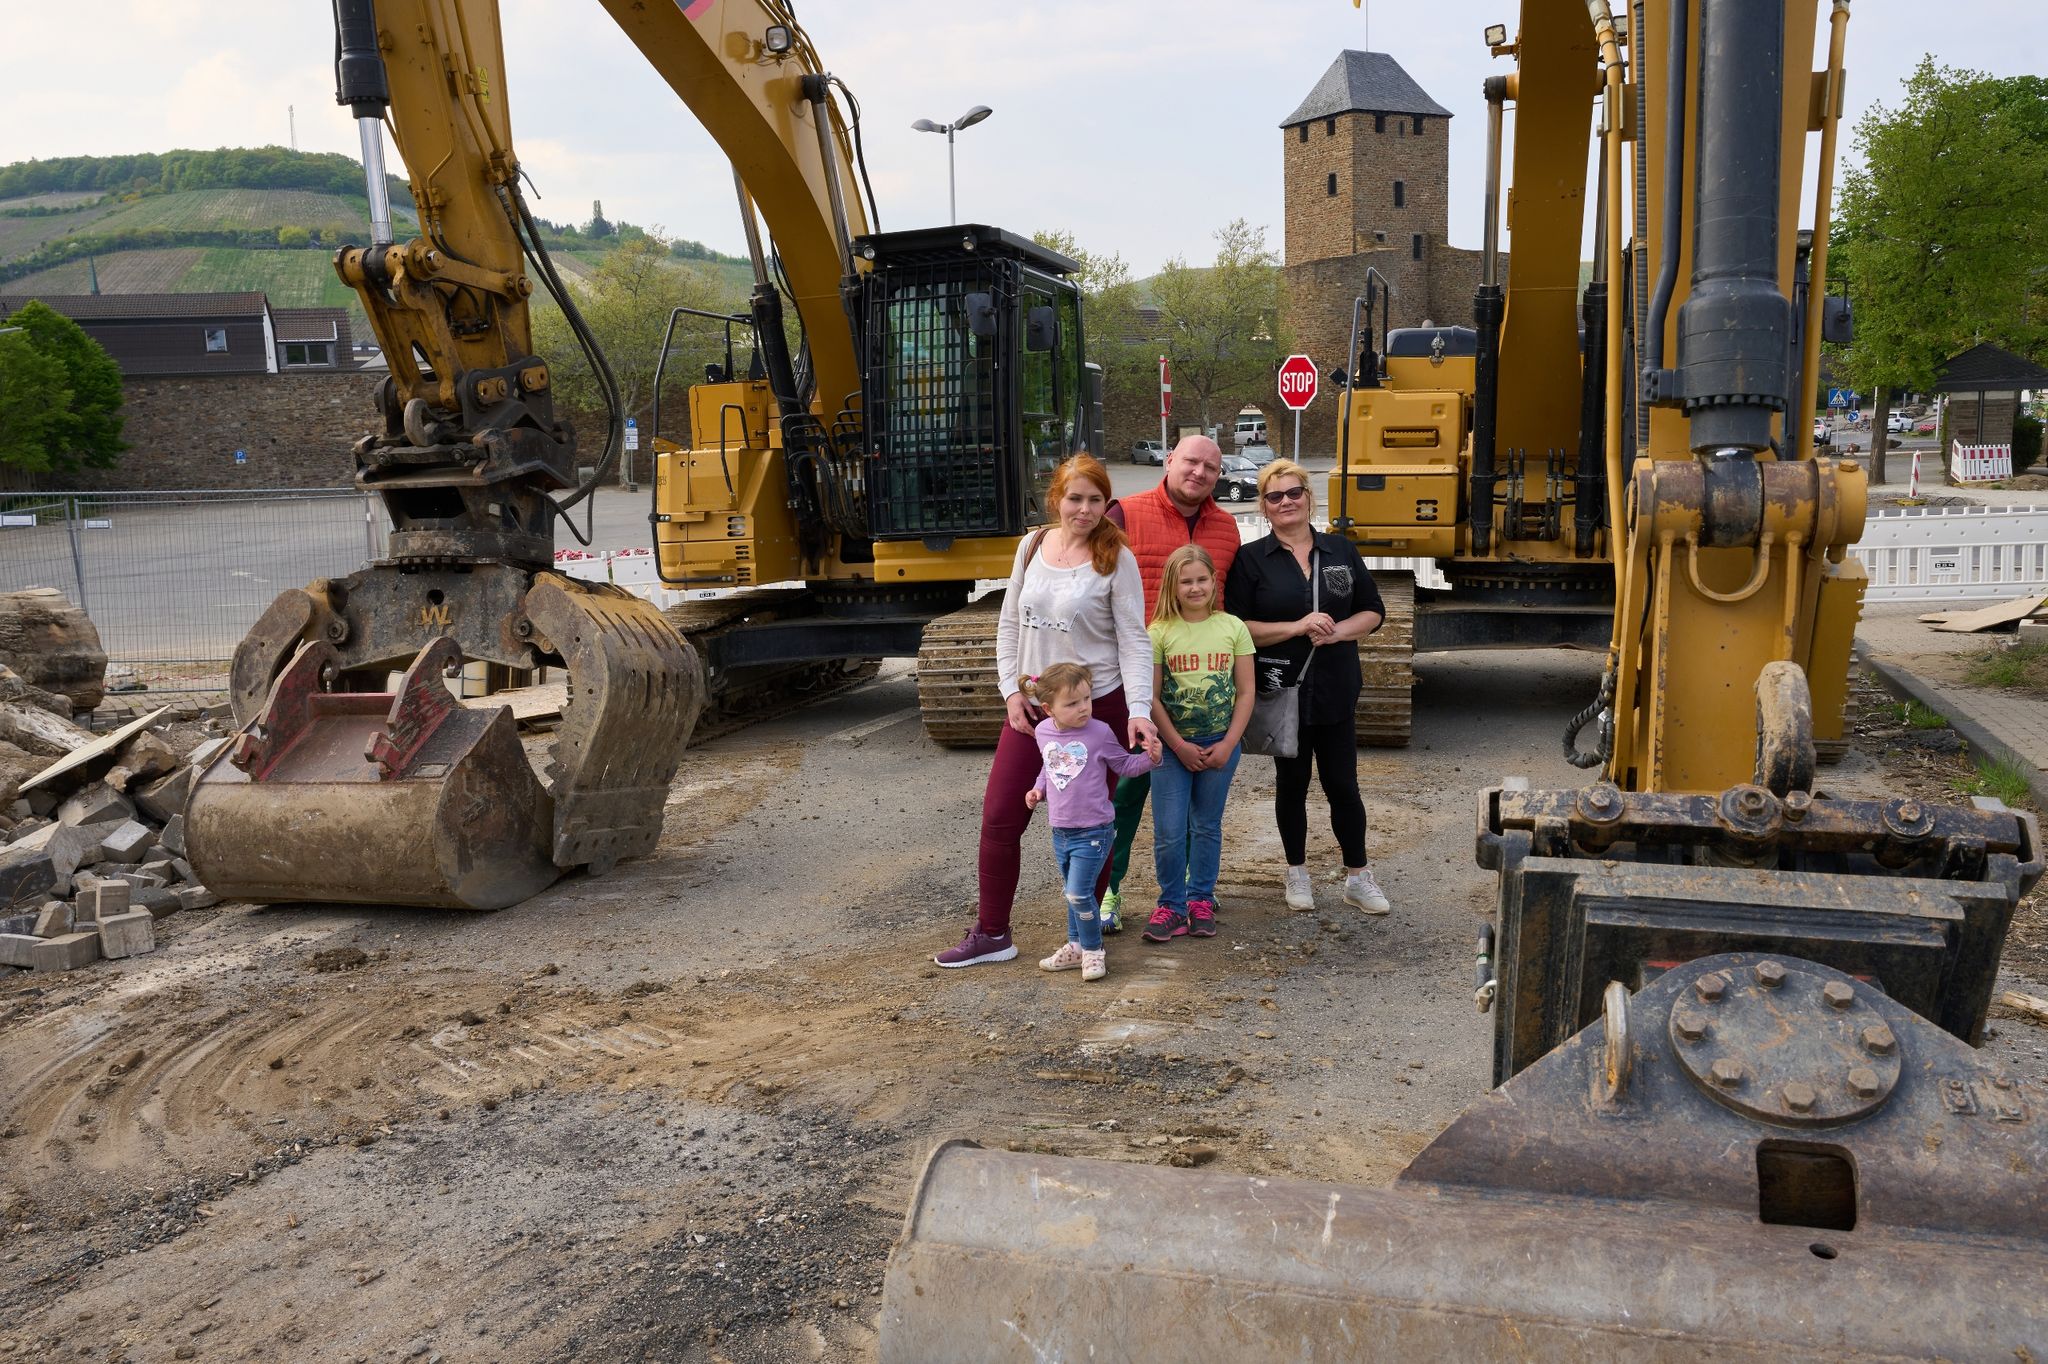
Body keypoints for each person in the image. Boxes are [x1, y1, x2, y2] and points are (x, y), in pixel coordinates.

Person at [935, 453, 1159, 968]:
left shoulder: (1114, 557)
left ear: (1107, 504)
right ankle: (992, 933)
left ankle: (1083, 940)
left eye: (1095, 500)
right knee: (999, 818)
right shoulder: (1032, 545)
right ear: (1056, 498)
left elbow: (1134, 639)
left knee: (1089, 828)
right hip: (1034, 709)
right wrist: (1010, 692)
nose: (1084, 510)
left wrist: (1138, 710)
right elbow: (1010, 622)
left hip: (1092, 710)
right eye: (1074, 498)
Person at [1224, 459, 1392, 916]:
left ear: (1308, 496)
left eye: (1293, 492)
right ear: (1263, 505)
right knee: (1291, 785)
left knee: (1344, 786)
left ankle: (1358, 876)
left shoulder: (1340, 551)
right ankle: (1296, 872)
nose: (1286, 502)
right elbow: (1238, 627)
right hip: (1282, 689)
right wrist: (1297, 626)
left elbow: (1373, 610)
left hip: (1335, 688)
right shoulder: (1251, 558)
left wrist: (1338, 631)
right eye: (1275, 496)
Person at [1099, 436, 1241, 931]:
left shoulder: (1226, 529)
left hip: (1196, 693)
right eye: (1190, 461)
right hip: (1127, 684)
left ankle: (1185, 893)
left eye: (1210, 467)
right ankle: (1106, 893)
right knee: (1123, 793)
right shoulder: (1125, 515)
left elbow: (1226, 609)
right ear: (1169, 460)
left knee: (1187, 808)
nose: (1199, 472)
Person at [1142, 545, 1254, 943]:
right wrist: (1176, 744)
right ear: (1172, 586)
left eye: (1201, 579)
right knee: (1170, 831)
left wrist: (1228, 743)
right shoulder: (1158, 633)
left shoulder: (1232, 627)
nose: (1194, 588)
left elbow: (1245, 692)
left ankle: (1200, 900)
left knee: (1206, 826)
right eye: (1185, 581)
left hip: (1221, 744)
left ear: (1213, 582)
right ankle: (1171, 905)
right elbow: (1151, 698)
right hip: (1172, 748)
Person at [1021, 663, 1160, 980]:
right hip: (1061, 832)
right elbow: (1050, 765)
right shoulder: (1043, 732)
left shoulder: (1099, 732)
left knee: (1079, 894)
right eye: (1072, 704)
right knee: (1071, 892)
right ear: (1048, 708)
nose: (1083, 708)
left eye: (1086, 699)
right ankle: (1075, 947)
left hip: (1095, 831)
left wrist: (1151, 758)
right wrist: (1038, 789)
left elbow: (1124, 765)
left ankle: (1094, 951)